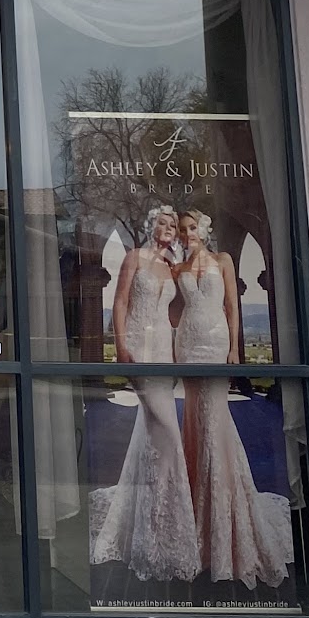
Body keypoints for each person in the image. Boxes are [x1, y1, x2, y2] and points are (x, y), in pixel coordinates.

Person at [173, 210, 292, 588]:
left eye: (192, 227)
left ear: (204, 229)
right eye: (182, 230)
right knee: (194, 420)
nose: (187, 234)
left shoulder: (222, 260)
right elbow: (173, 313)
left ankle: (223, 513)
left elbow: (231, 306)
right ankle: (196, 507)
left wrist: (234, 349)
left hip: (215, 341)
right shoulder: (179, 268)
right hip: (187, 344)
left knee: (213, 420)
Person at [90, 206, 198, 583]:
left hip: (165, 349)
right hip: (138, 345)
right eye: (163, 223)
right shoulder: (134, 257)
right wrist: (121, 345)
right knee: (168, 431)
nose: (168, 228)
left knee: (155, 433)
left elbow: (178, 313)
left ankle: (154, 515)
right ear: (152, 226)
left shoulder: (171, 267)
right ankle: (162, 515)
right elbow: (120, 302)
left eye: (173, 225)